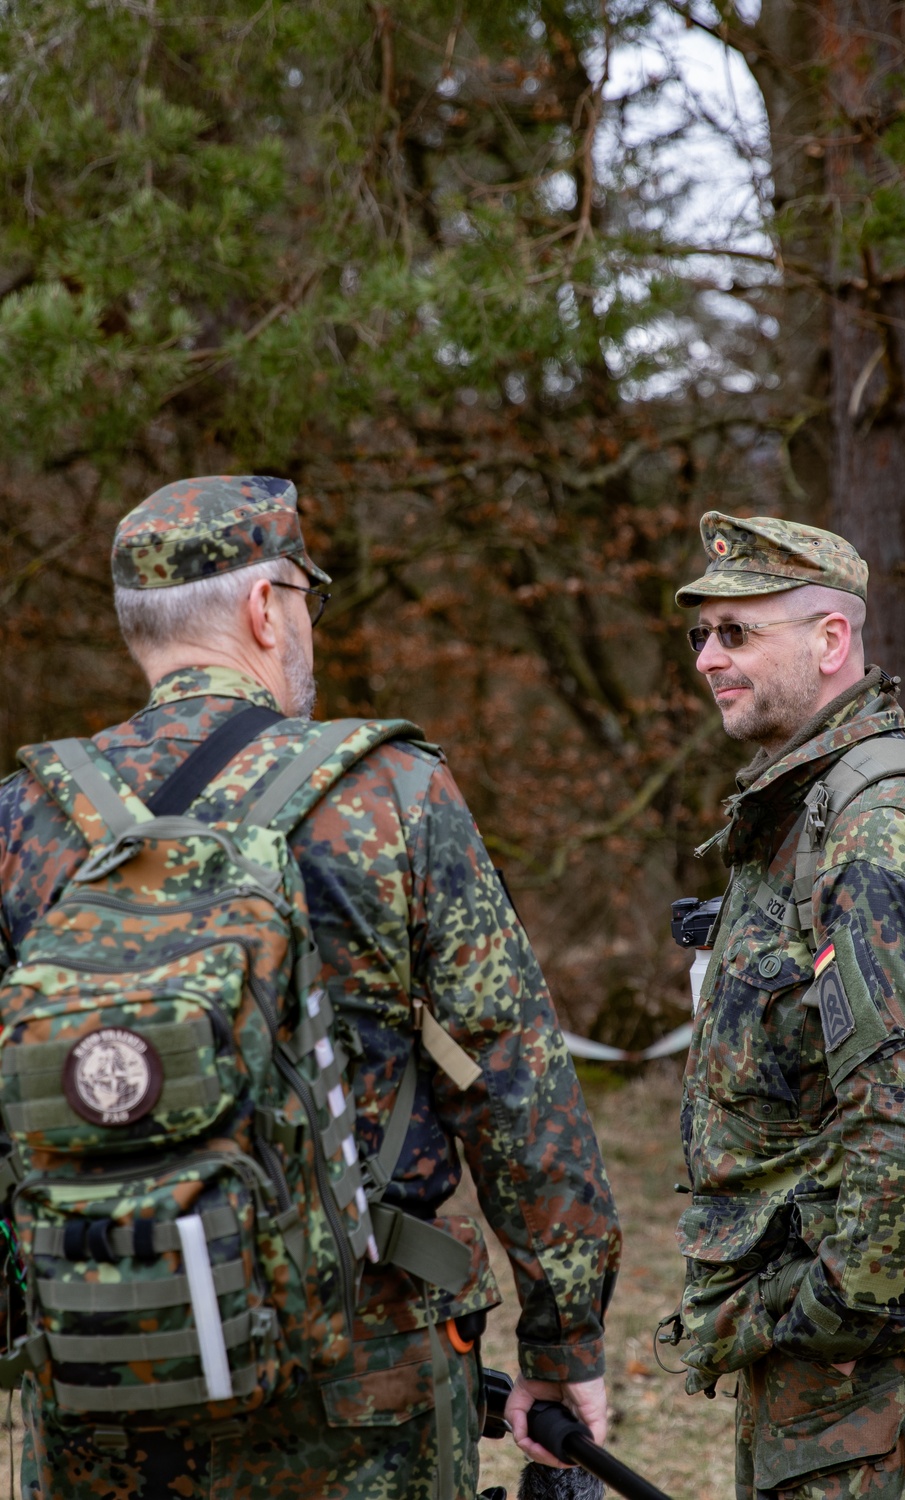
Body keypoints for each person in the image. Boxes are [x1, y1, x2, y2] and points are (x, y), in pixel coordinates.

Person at [0, 475, 621, 1500]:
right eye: (305, 604)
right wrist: (563, 1342)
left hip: (104, 1369)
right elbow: (516, 1085)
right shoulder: (390, 792)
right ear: (264, 606)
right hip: (359, 1373)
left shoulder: (26, 817)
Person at [671, 512, 905, 1498]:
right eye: (698, 635)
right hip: (810, 1351)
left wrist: (820, 1315)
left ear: (830, 639)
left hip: (849, 1371)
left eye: (737, 632)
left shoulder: (874, 831)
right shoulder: (810, 813)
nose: (708, 660)